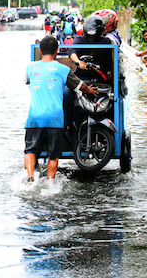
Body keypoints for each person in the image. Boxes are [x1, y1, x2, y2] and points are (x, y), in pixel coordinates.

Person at [24, 36, 97, 182]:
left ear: (40, 50)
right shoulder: (63, 69)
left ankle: (30, 177)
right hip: (55, 118)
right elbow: (79, 86)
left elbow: (28, 81)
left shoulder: (30, 68)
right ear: (57, 51)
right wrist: (89, 90)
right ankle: (50, 182)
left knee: (30, 150)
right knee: (53, 154)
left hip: (34, 116)